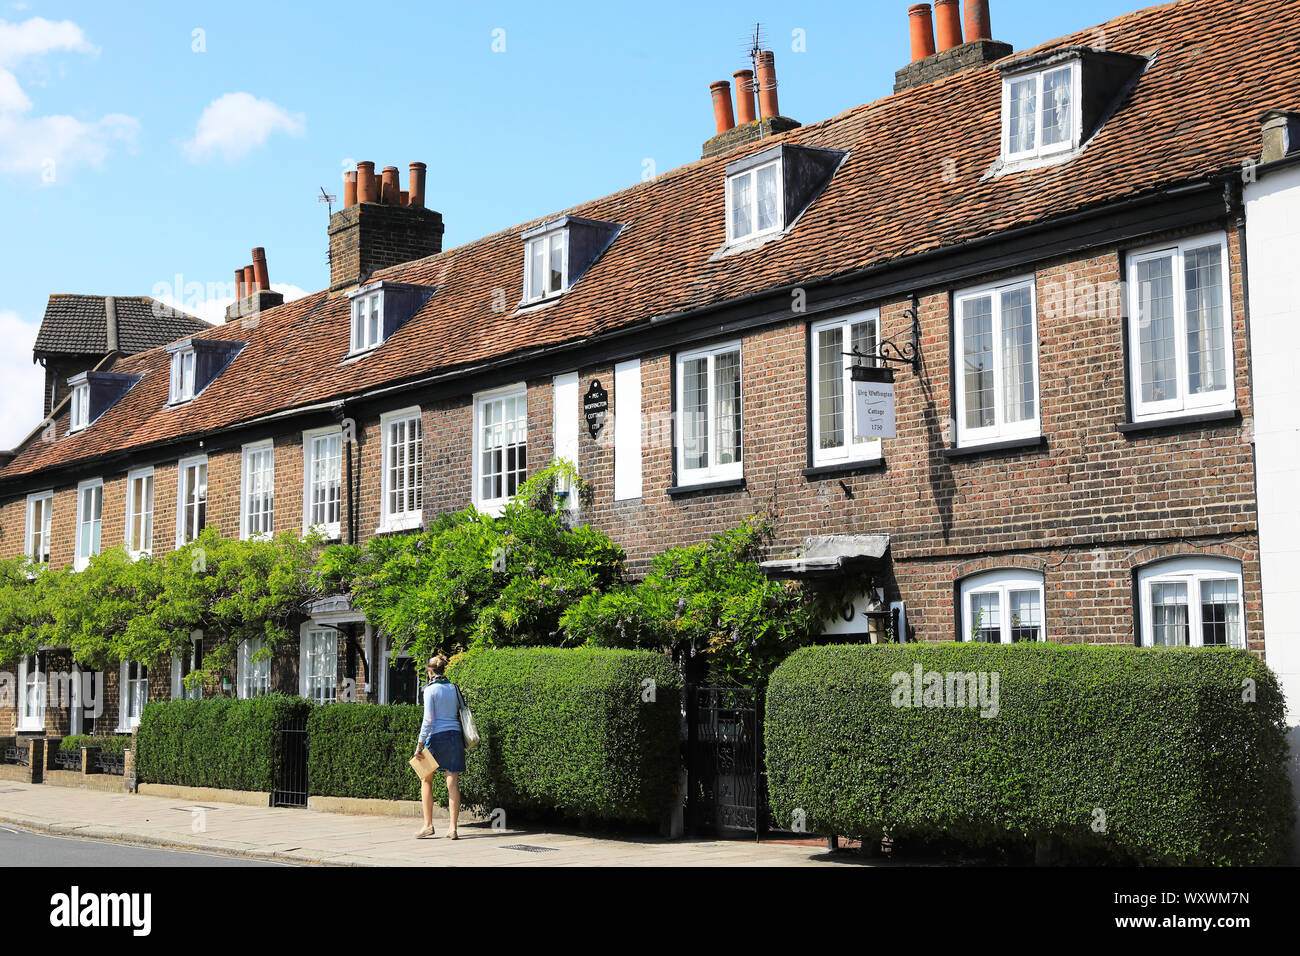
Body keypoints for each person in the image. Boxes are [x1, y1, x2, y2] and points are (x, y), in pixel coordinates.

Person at [413, 654, 464, 840]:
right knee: (452, 783)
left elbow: (428, 720)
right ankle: (452, 828)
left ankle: (428, 825)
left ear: (430, 671)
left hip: (435, 737)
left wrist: (419, 745)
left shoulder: (430, 690)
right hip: (455, 736)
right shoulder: (453, 688)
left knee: (426, 779)